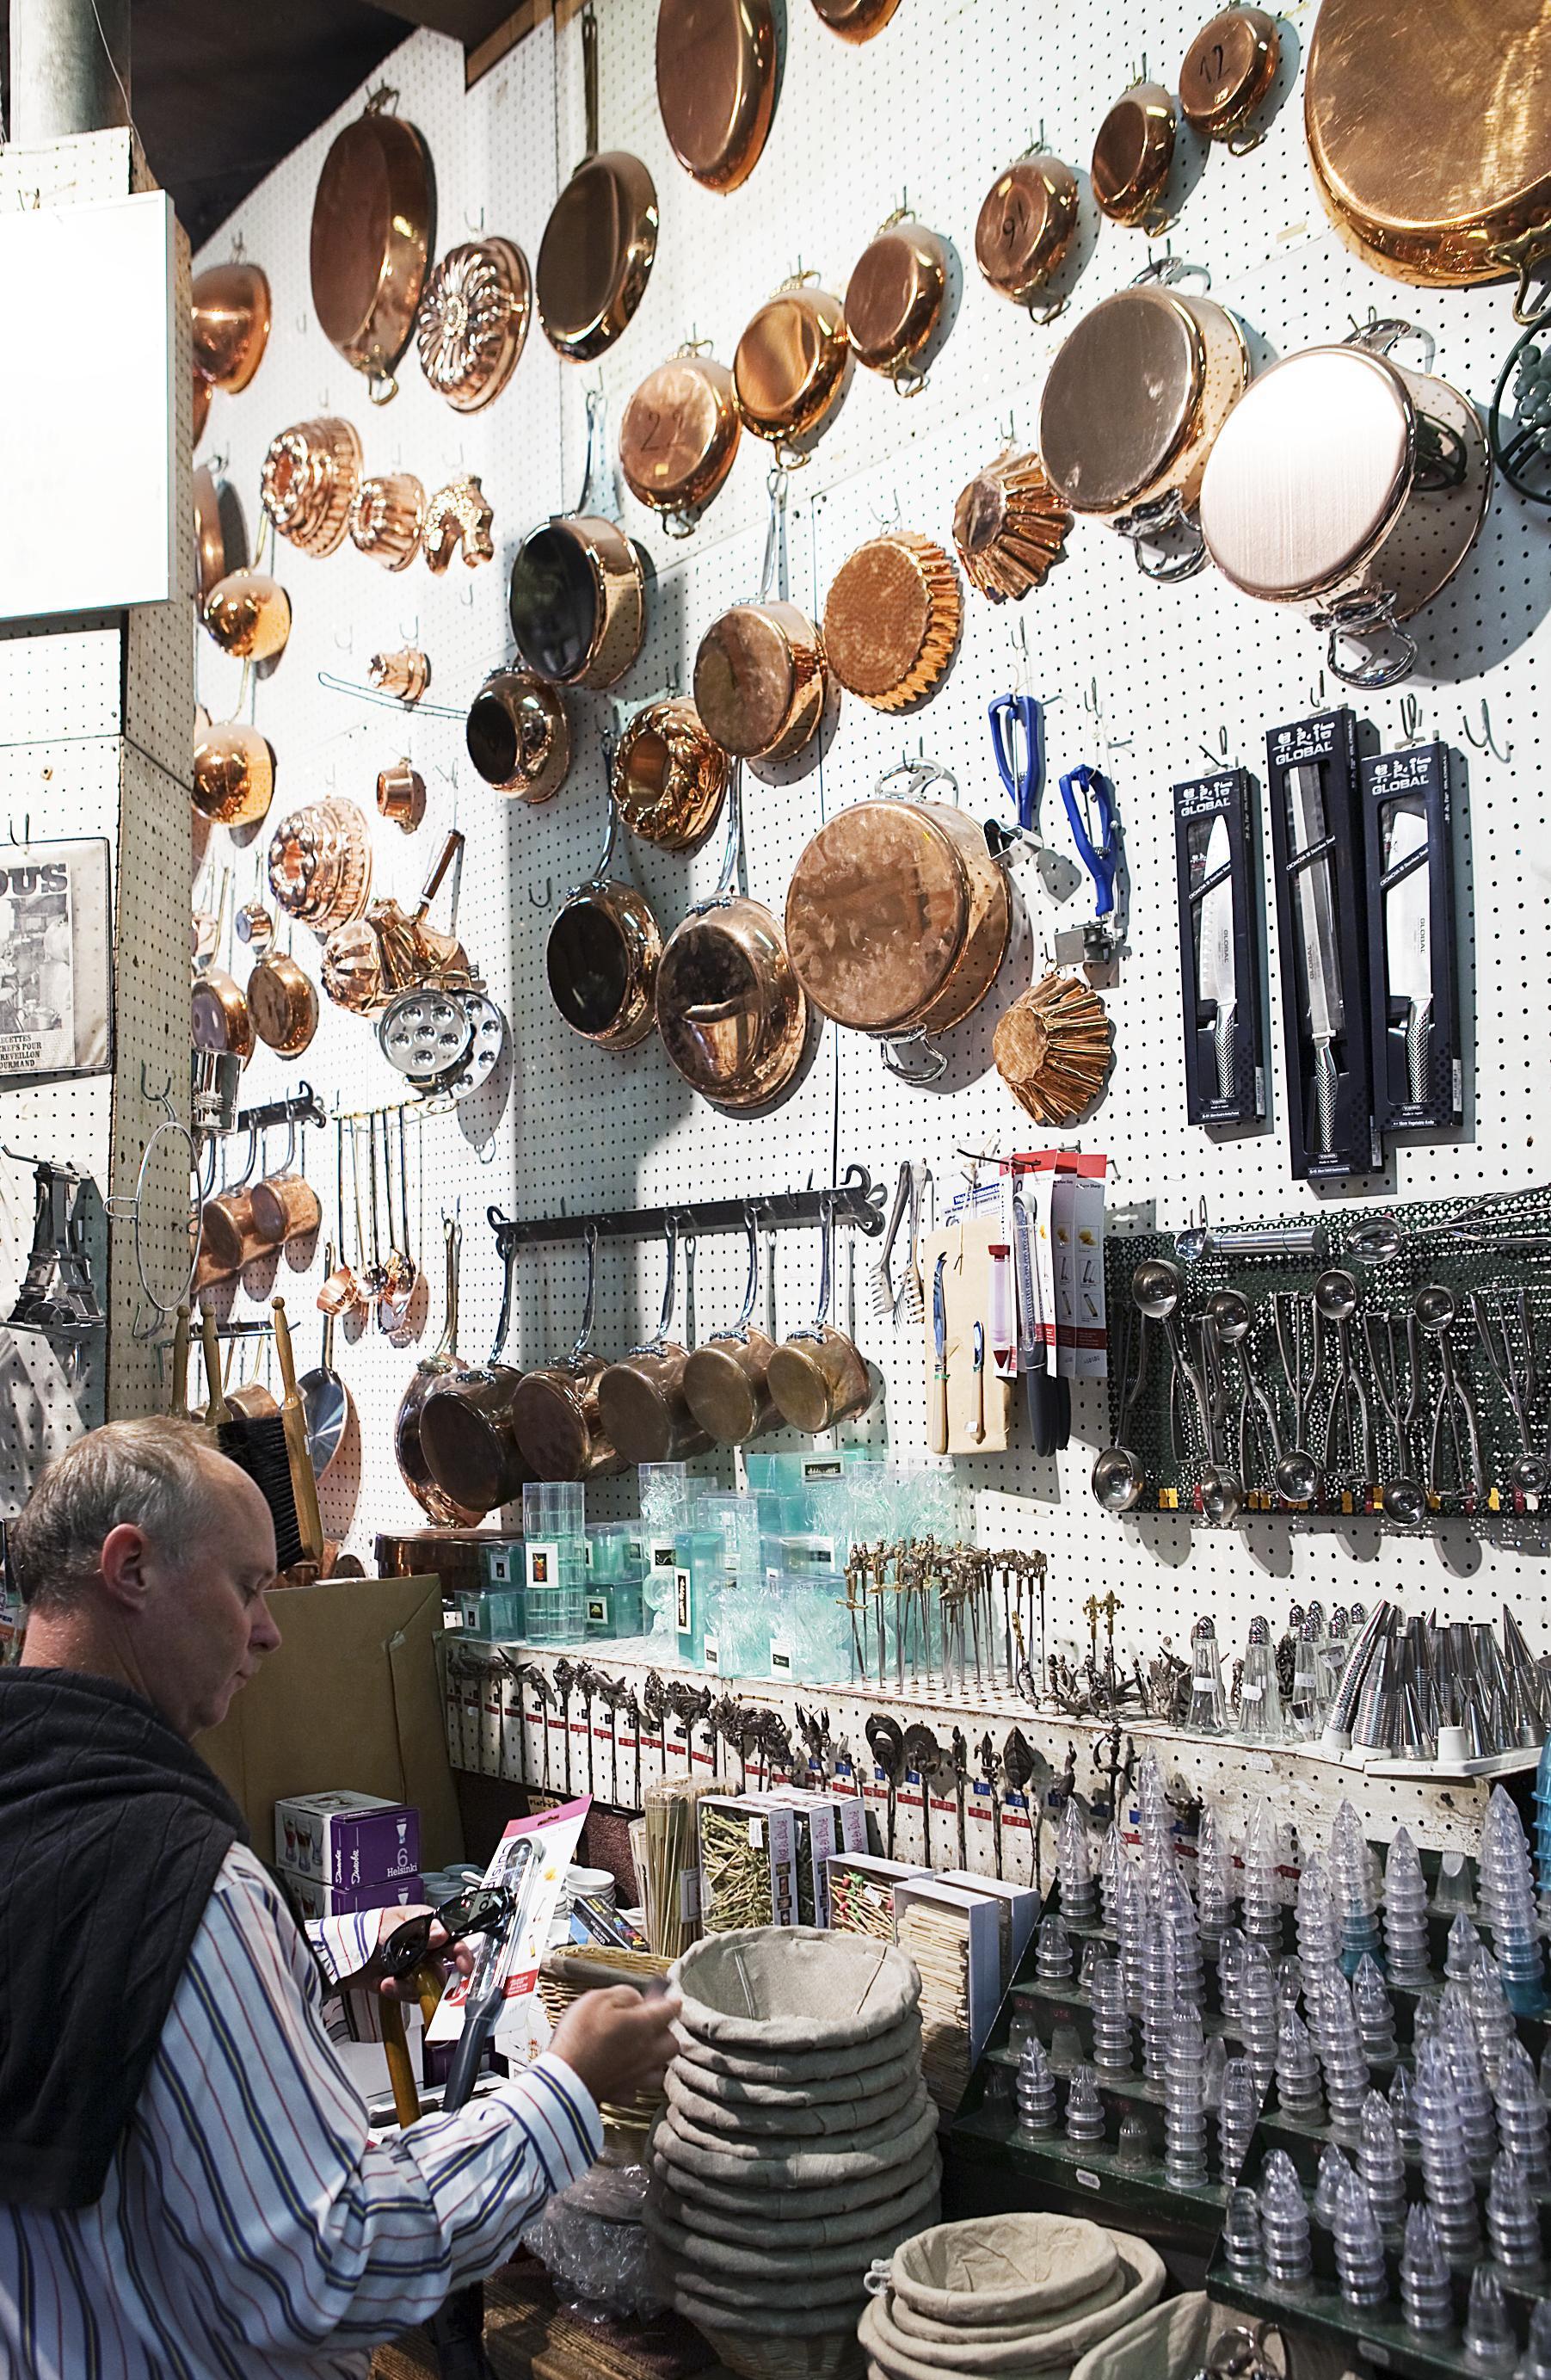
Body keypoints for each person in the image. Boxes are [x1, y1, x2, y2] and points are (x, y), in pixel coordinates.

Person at [0, 1418, 679, 2379]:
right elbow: (330, 2263)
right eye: (248, 1586)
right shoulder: (178, 1877)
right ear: (132, 1567)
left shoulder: (37, 1800)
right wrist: (567, 2087)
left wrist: (311, 1968)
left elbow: (85, 2012)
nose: (270, 1630)